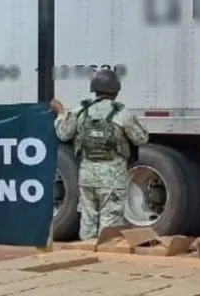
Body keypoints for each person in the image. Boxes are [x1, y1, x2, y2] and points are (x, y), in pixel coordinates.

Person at [53, 67, 149, 240]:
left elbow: (63, 134)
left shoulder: (81, 110)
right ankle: (104, 253)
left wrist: (60, 114)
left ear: (94, 89)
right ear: (116, 90)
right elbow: (141, 138)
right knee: (109, 226)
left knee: (88, 220)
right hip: (112, 177)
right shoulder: (122, 113)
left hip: (87, 176)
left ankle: (85, 251)